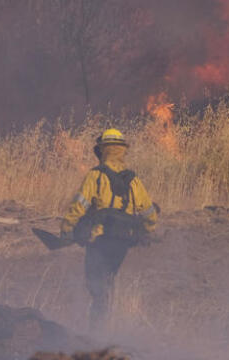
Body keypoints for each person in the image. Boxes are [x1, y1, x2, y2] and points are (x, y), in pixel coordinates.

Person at [60, 128, 158, 329]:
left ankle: (96, 329)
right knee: (109, 278)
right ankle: (105, 323)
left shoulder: (96, 176)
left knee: (95, 283)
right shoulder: (133, 180)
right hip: (123, 241)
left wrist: (67, 229)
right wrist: (147, 230)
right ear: (122, 150)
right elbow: (149, 212)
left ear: (102, 150)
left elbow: (79, 205)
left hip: (99, 238)